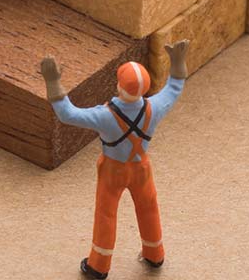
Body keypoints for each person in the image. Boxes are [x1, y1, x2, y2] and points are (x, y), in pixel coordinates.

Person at [42, 42, 190, 278]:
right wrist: (178, 62)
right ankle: (155, 255)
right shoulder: (154, 108)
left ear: (119, 86)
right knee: (149, 207)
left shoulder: (105, 116)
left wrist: (53, 82)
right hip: (142, 168)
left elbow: (67, 114)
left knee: (106, 214)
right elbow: (174, 89)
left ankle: (98, 266)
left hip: (113, 171)